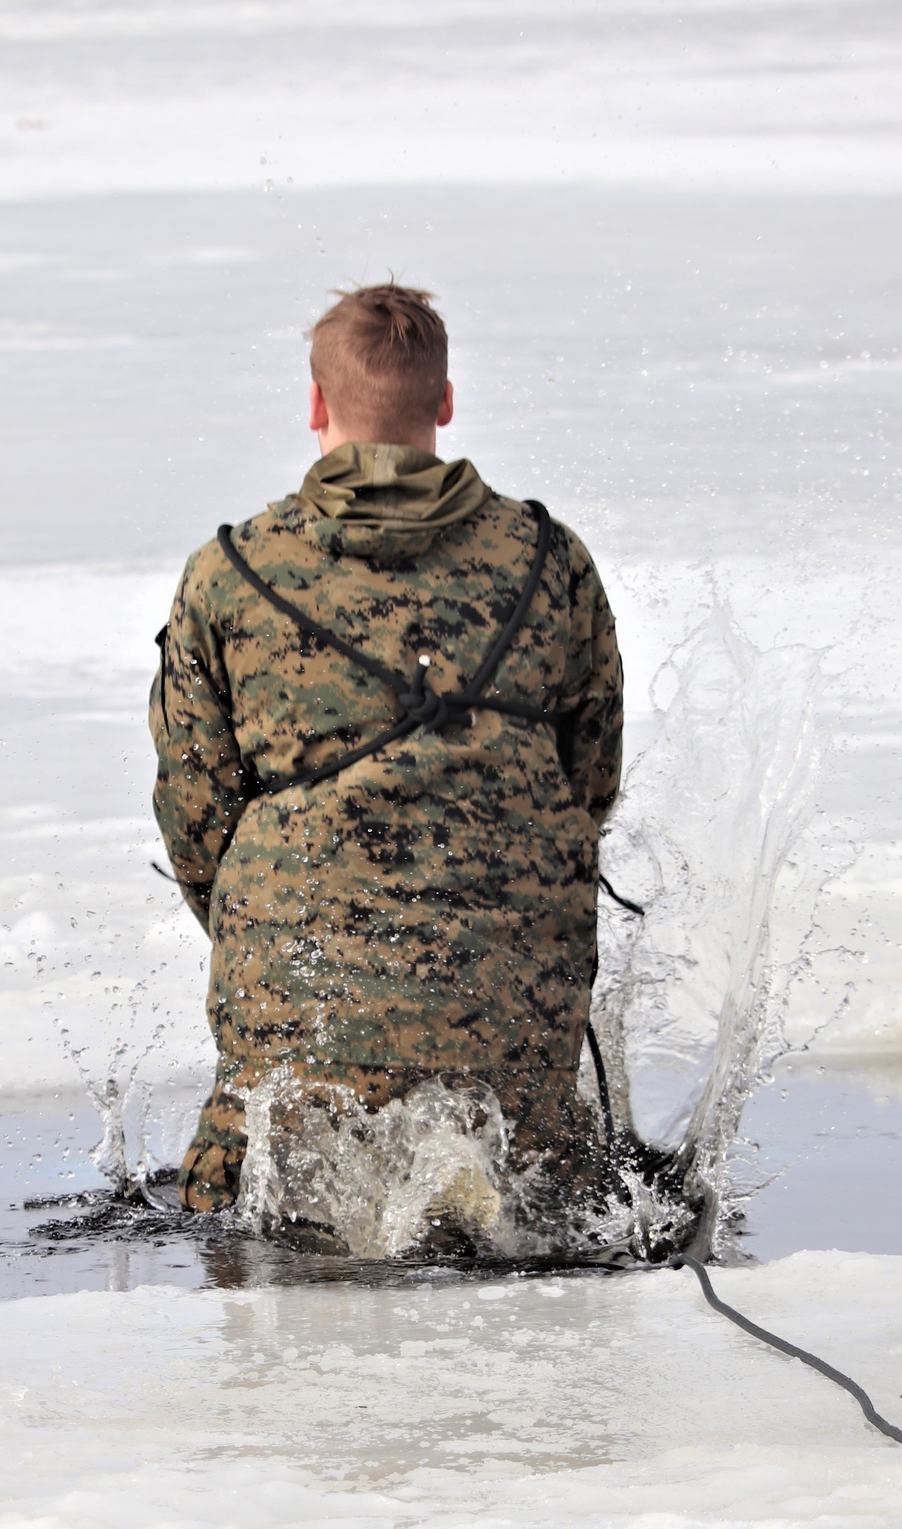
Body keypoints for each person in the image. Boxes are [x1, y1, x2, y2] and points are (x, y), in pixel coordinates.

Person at [150, 283, 623, 1219]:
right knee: (552, 1201)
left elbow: (196, 824)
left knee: (235, 1216)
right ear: (443, 403)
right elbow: (588, 783)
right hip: (512, 1050)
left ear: (317, 406)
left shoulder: (231, 575)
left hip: (300, 1031)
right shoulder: (547, 560)